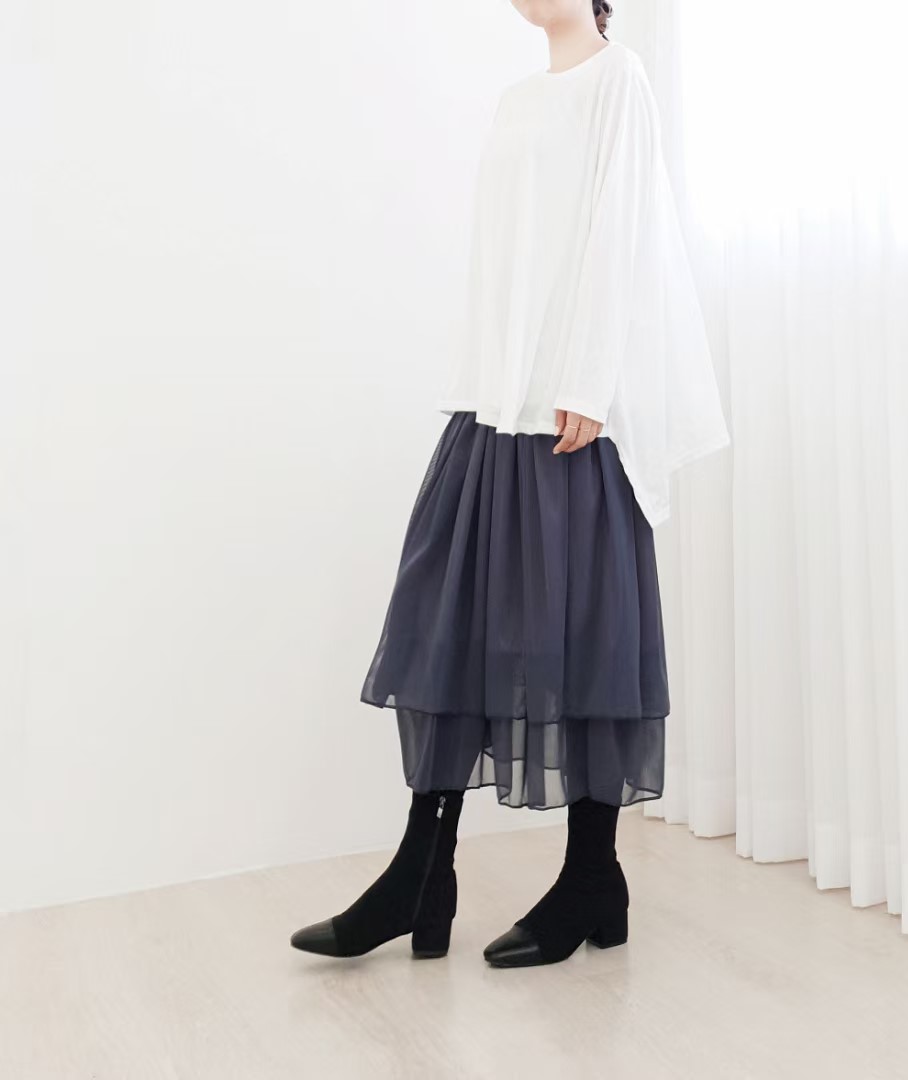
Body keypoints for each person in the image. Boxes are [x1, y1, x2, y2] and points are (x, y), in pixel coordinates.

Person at [290, 0, 729, 968]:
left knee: (582, 642)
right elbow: (502, 259)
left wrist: (587, 383)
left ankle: (590, 875)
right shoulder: (516, 99)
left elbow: (619, 234)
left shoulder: (620, 80)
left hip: (570, 413)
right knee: (443, 628)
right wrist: (485, 383)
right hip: (494, 402)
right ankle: (422, 874)